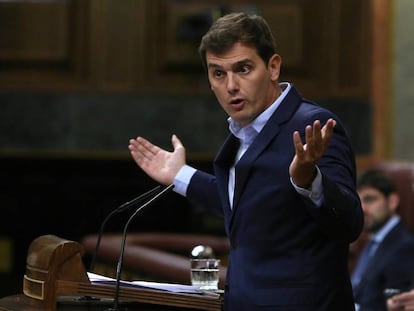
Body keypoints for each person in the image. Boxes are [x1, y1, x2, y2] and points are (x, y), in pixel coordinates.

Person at [129, 12, 363, 310]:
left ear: (273, 67)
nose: (231, 86)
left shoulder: (312, 125)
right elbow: (251, 206)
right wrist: (180, 175)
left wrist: (309, 179)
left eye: (243, 69)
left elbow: (350, 224)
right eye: (218, 73)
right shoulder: (243, 131)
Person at [351, 169, 414, 311]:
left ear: (392, 201)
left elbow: (396, 305)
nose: (362, 208)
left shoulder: (404, 247)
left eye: (370, 199)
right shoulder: (371, 241)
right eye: (358, 200)